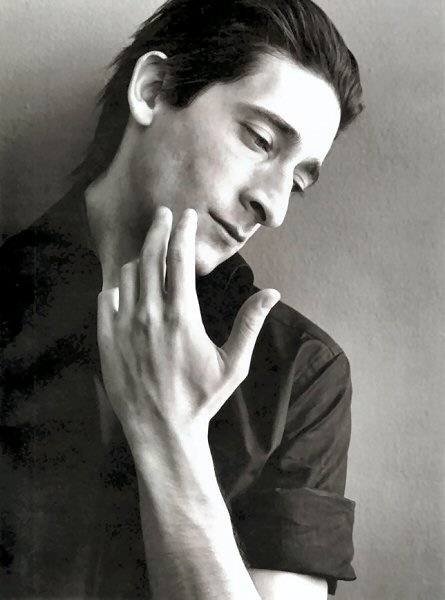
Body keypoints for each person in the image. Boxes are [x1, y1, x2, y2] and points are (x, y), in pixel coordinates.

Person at [0, 0, 363, 597]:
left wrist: (170, 435)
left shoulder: (301, 373)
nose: (274, 206)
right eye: (260, 139)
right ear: (153, 90)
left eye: (298, 182)